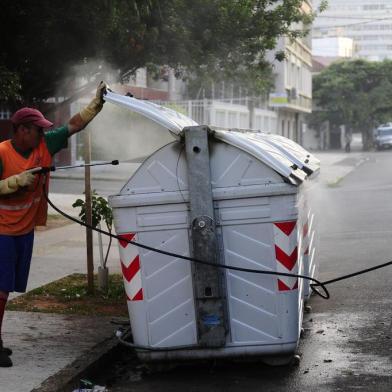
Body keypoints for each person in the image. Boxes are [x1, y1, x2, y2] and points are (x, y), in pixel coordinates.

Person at [0, 82, 107, 367]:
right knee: (0, 290)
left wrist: (95, 106)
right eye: (38, 129)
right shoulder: (1, 153)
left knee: (6, 290)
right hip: (2, 232)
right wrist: (11, 183)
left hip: (24, 231)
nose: (44, 133)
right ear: (23, 130)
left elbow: (73, 125)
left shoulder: (45, 145)